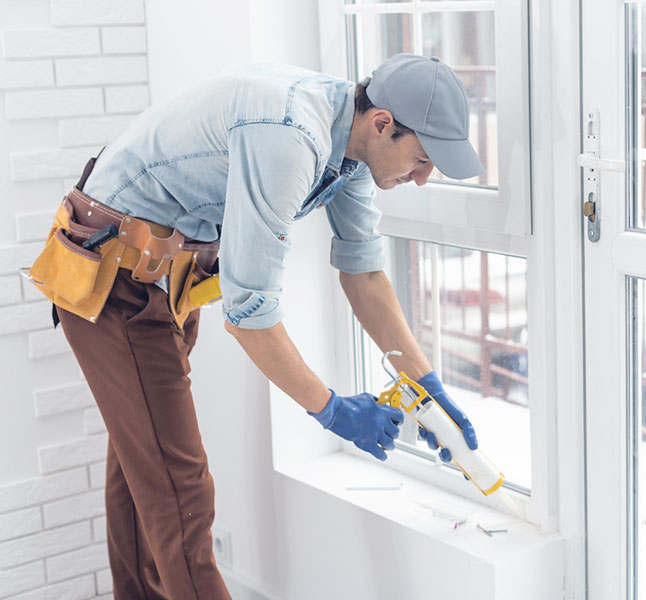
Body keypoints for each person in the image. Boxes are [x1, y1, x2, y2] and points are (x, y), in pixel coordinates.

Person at [34, 53, 484, 598]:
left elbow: (363, 273)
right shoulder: (290, 136)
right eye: (422, 159)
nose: (421, 178)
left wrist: (427, 387)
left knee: (144, 477)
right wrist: (334, 412)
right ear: (383, 123)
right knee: (182, 497)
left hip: (168, 276)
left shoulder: (354, 146)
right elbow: (249, 316)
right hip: (118, 282)